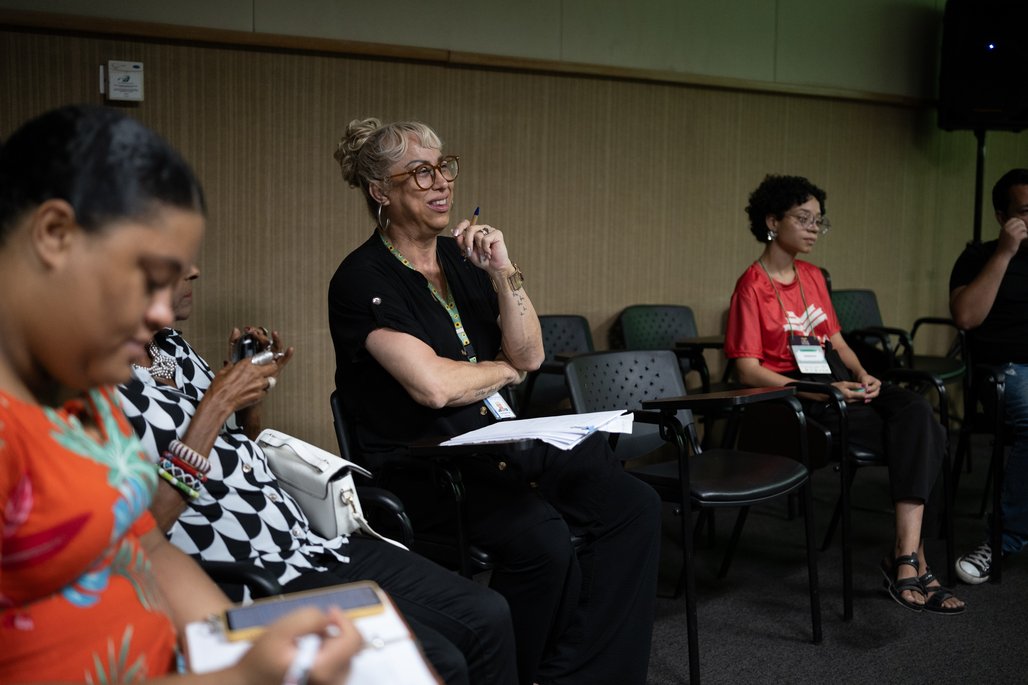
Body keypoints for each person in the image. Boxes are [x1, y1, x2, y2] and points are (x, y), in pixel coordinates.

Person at [0, 104, 360, 683]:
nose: (165, 312)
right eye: (150, 279)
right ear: (55, 235)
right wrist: (241, 678)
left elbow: (147, 546)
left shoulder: (81, 388)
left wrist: (250, 651)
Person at [328, 118, 661, 685]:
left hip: (498, 438)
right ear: (380, 191)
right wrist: (502, 371)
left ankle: (587, 673)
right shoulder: (362, 278)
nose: (443, 184)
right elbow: (433, 387)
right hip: (426, 460)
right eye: (422, 172)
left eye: (445, 168)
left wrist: (504, 270)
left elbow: (529, 354)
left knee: (632, 505)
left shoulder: (463, 261)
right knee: (544, 543)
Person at [117, 267, 518, 685]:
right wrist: (217, 402)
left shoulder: (172, 348)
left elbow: (240, 447)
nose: (195, 270)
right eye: (175, 260)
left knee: (488, 613)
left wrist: (249, 395)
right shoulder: (104, 387)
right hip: (245, 563)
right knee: (439, 659)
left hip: (305, 537)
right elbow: (147, 529)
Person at [724, 174, 965, 614]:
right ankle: (913, 560)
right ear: (772, 221)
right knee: (923, 434)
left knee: (915, 409)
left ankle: (906, 555)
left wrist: (864, 373)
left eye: (820, 221)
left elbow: (835, 340)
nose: (815, 228)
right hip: (794, 395)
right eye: (804, 218)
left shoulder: (814, 276)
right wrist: (814, 390)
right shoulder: (752, 286)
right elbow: (746, 367)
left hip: (838, 380)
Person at [949, 167, 1028, 584]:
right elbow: (965, 316)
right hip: (1006, 371)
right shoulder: (979, 256)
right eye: (1026, 211)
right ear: (1003, 216)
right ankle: (1003, 540)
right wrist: (1005, 253)